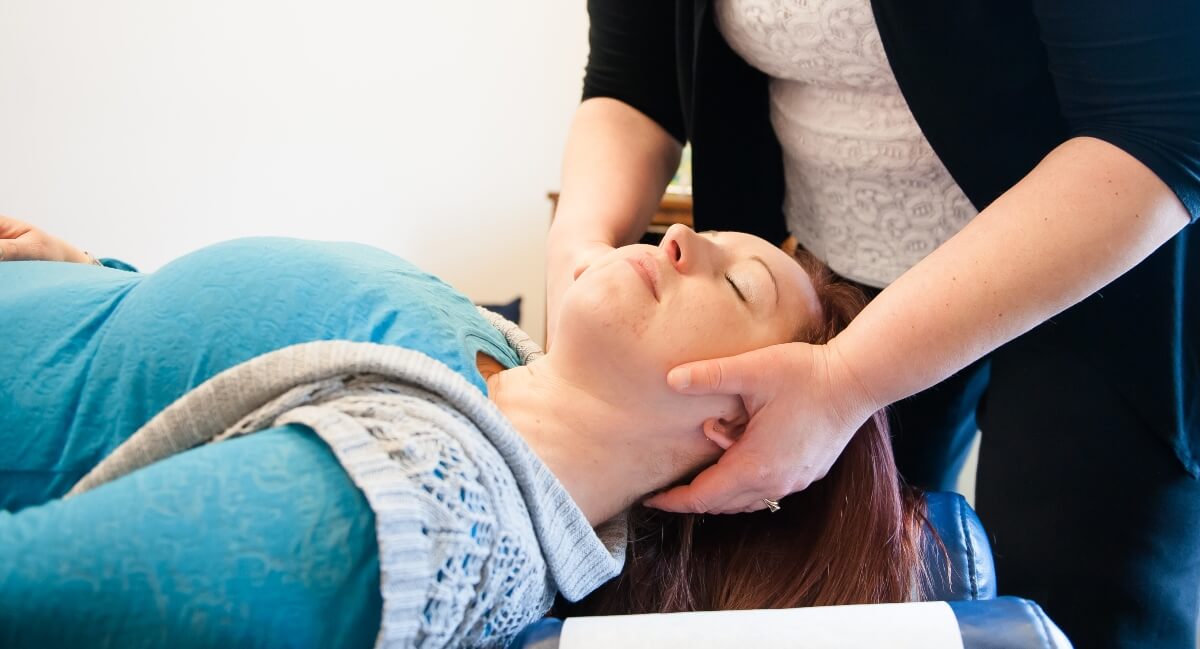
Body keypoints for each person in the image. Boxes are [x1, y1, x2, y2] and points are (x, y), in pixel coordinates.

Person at [544, 2, 1200, 647]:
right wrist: (579, 256)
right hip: (840, 274)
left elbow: (1160, 125)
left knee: (1083, 598)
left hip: (1099, 259)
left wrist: (847, 376)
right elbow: (634, 79)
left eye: (742, 282)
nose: (678, 236)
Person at [0, 217, 928, 648]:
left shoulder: (419, 514)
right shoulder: (504, 360)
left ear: (741, 425)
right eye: (712, 237)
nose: (681, 240)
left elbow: (30, 590)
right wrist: (93, 283)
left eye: (733, 284)